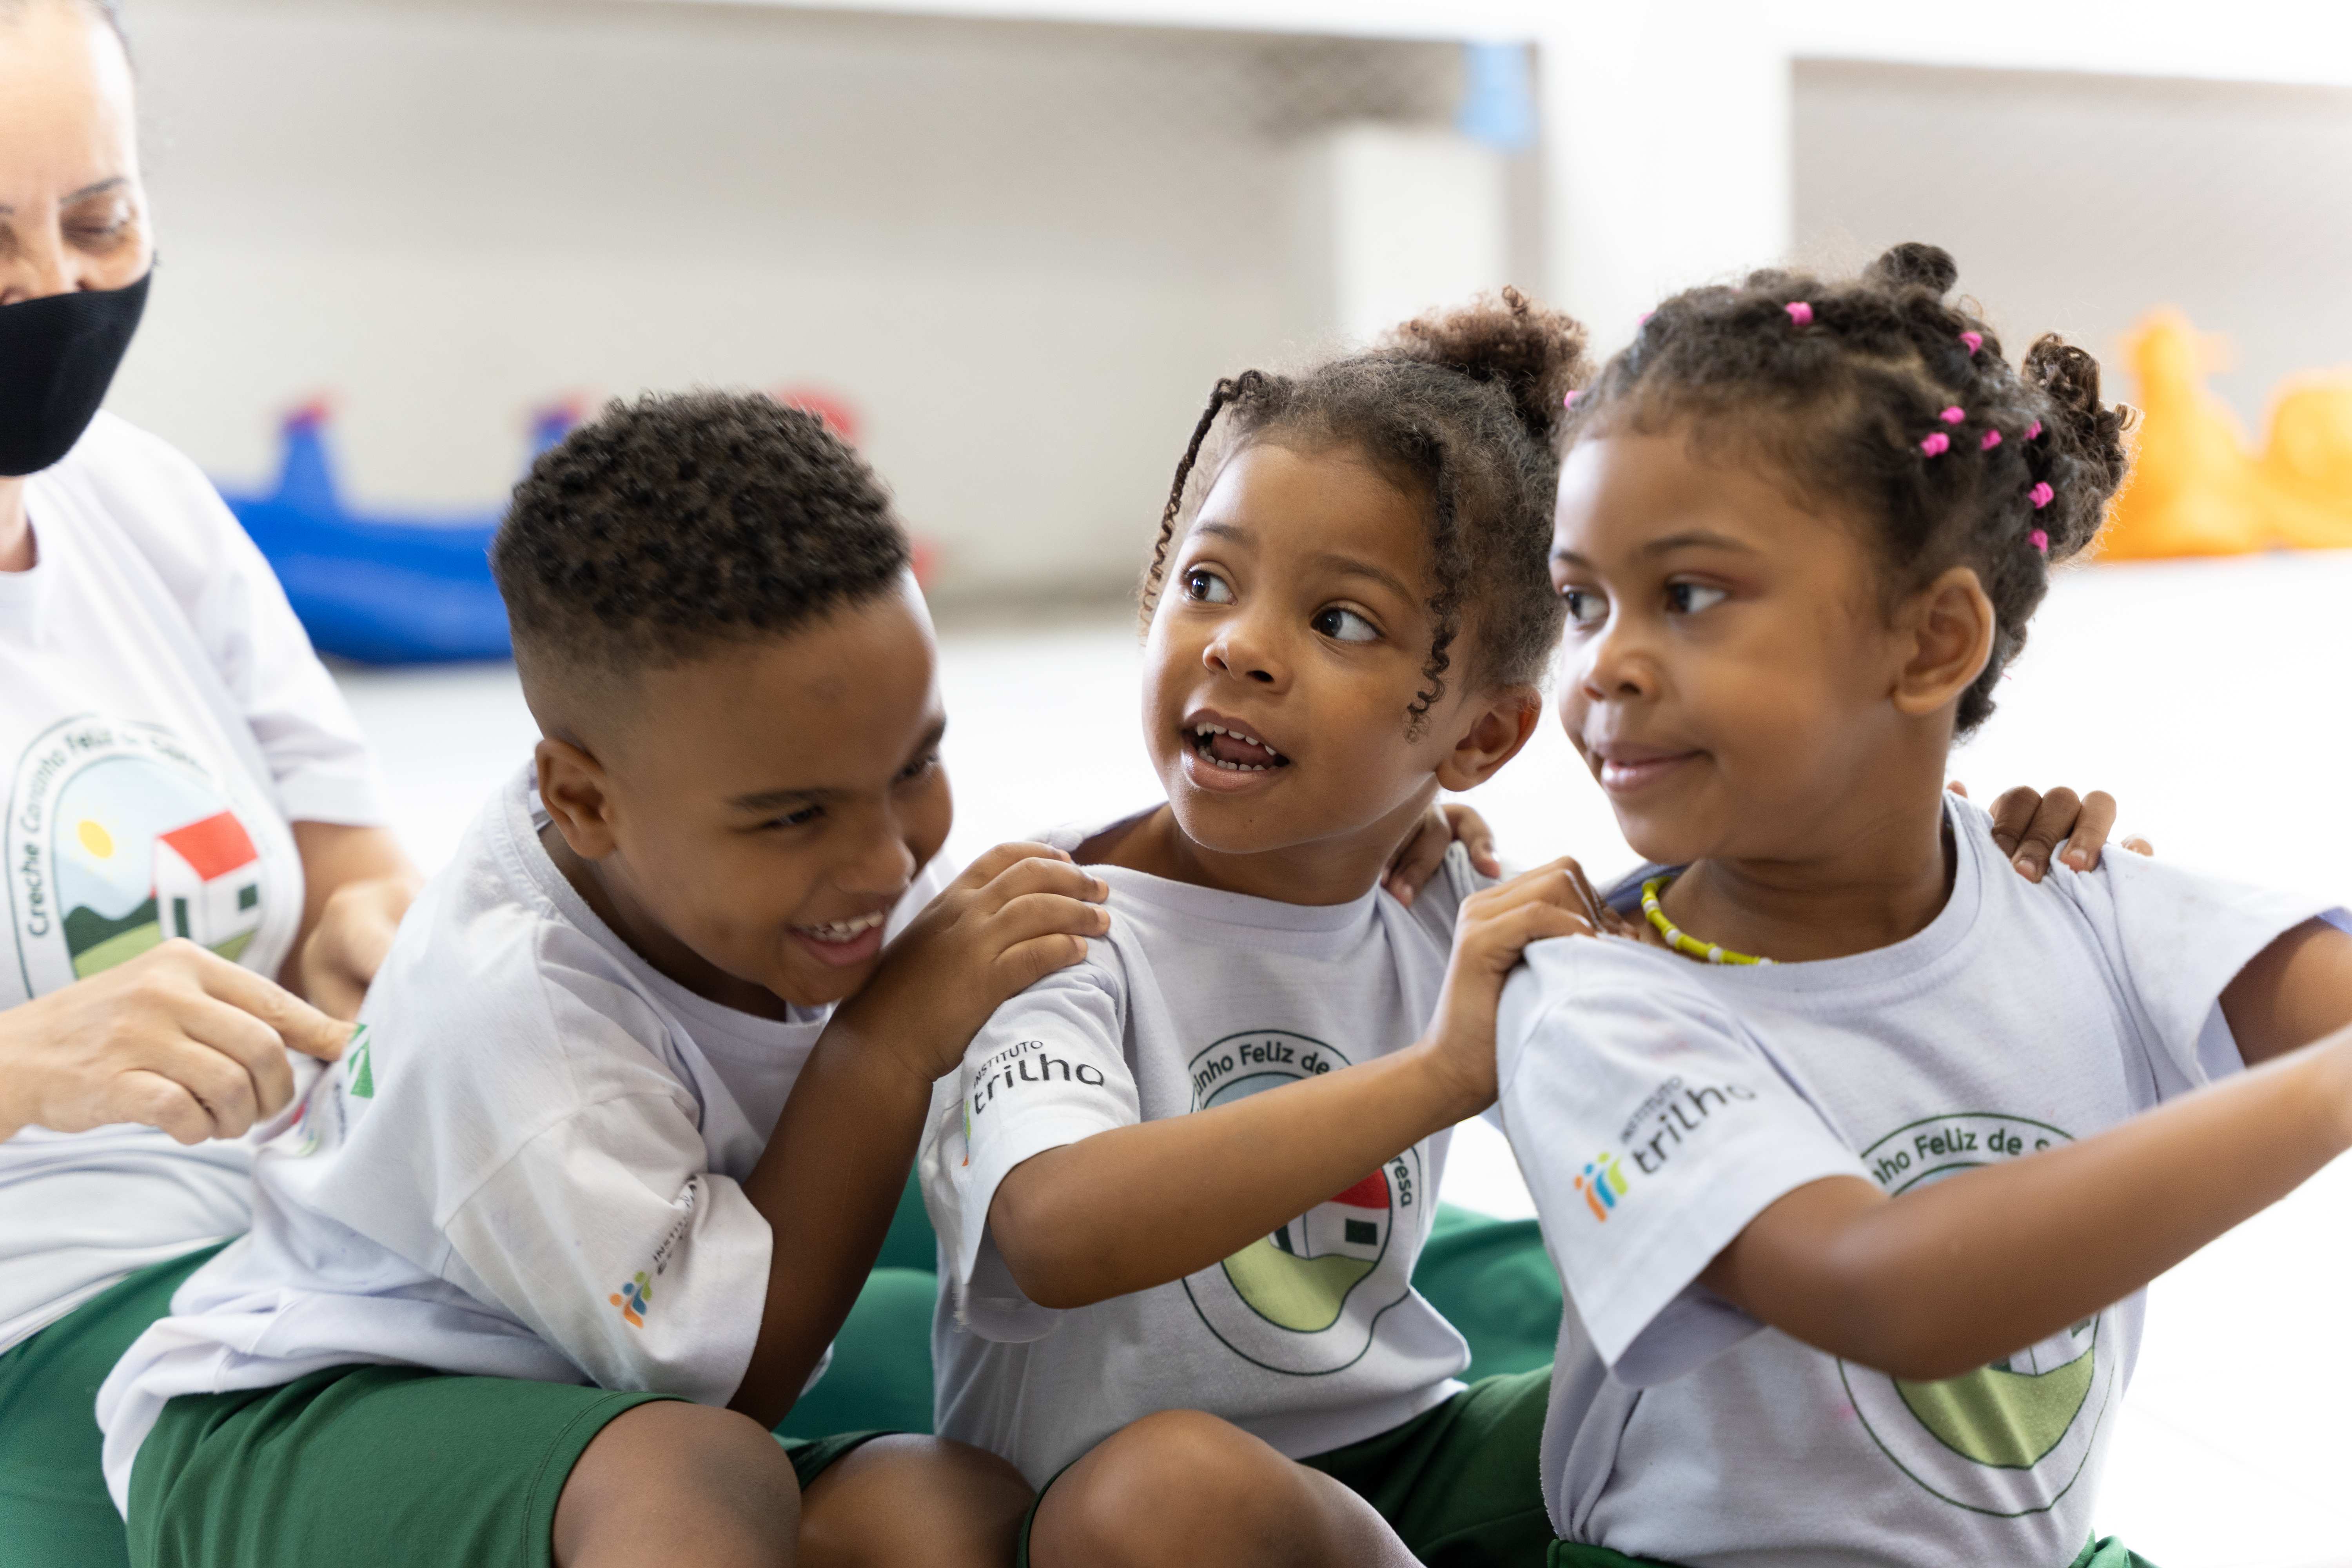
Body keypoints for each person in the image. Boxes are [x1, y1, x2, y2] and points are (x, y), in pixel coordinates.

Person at [921, 290, 2131, 1568]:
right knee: (1154, 1494)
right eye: (1207, 582)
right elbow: (1053, 1233)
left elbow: (1756, 1045)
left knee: (1755, 1358)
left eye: (1340, 622)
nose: (1241, 649)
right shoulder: (1050, 921)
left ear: (1481, 738)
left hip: (1420, 1459)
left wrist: (1983, 892)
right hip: (1126, 1517)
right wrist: (1440, 1074)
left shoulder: (1449, 904)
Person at [98, 394, 1110, 1568]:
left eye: (916, 763)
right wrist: (879, 1049)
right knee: (695, 1469)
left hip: (569, 1397)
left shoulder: (695, 823)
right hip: (294, 1423)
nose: (888, 859)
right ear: (582, 802)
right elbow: (736, 1380)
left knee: (945, 1512)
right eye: (793, 816)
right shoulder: (529, 1033)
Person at [1495, 243, 2352, 1568]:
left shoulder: (2069, 896)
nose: (1605, 666)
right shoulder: (1593, 995)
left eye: (1691, 595)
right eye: (1583, 602)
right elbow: (1880, 1286)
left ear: (1932, 642)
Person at [0, 2, 419, 1560]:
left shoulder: (142, 502)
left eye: (100, 222)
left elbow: (352, 868)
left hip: (307, 1238)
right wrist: (28, 1066)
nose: (53, 291)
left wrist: (382, 939)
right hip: (43, 1328)